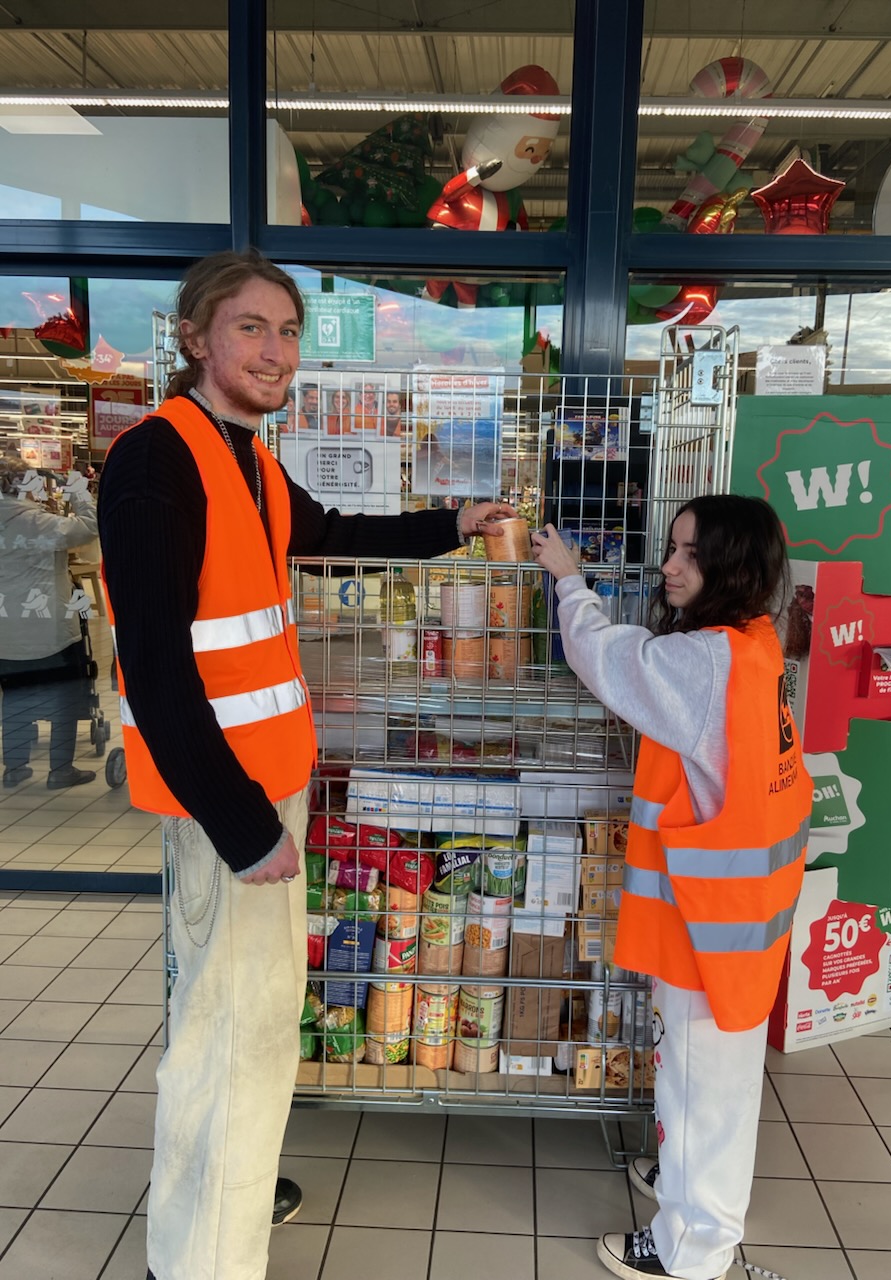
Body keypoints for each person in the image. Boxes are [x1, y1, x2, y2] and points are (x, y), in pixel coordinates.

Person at [97, 248, 514, 1280]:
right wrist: (243, 825)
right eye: (251, 327)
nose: (276, 349)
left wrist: (452, 524)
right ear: (197, 337)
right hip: (225, 802)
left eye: (287, 331)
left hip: (262, 786)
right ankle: (203, 1257)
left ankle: (227, 1193)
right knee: (231, 1027)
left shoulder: (242, 451)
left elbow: (327, 532)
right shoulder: (158, 457)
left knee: (248, 1012)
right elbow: (153, 661)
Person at [531, 495, 813, 1280]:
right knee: (712, 1085)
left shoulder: (704, 663)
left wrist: (568, 581)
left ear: (731, 566)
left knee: (699, 1091)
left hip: (705, 925)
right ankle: (690, 1184)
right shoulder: (758, 642)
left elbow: (612, 660)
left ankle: (690, 1249)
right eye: (673, 548)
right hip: (744, 915)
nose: (670, 566)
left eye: (691, 554)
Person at [0, 460, 99, 790]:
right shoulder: (37, 523)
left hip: (5, 632)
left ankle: (14, 768)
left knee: (14, 697)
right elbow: (90, 525)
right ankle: (60, 770)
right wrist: (80, 490)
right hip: (47, 630)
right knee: (64, 697)